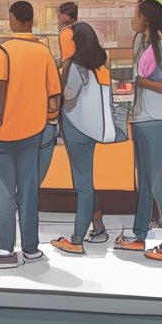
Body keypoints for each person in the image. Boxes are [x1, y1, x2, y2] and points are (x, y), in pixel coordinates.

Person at [0, 1, 61, 269]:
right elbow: (54, 97)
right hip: (35, 132)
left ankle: (6, 251)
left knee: (5, 194)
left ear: (13, 20)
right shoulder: (43, 53)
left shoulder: (4, 52)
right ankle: (31, 250)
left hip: (5, 133)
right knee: (29, 193)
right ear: (31, 20)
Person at [115, 0, 162, 262]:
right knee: (146, 182)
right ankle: (140, 234)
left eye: (135, 14)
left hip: (153, 122)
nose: (132, 19)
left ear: (145, 20)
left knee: (160, 183)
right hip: (159, 121)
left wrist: (142, 82)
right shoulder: (144, 46)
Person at [51, 22, 113, 255]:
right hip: (92, 129)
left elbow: (67, 97)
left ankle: (77, 239)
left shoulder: (76, 66)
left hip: (76, 129)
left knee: (83, 185)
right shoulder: (99, 64)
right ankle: (98, 227)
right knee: (85, 179)